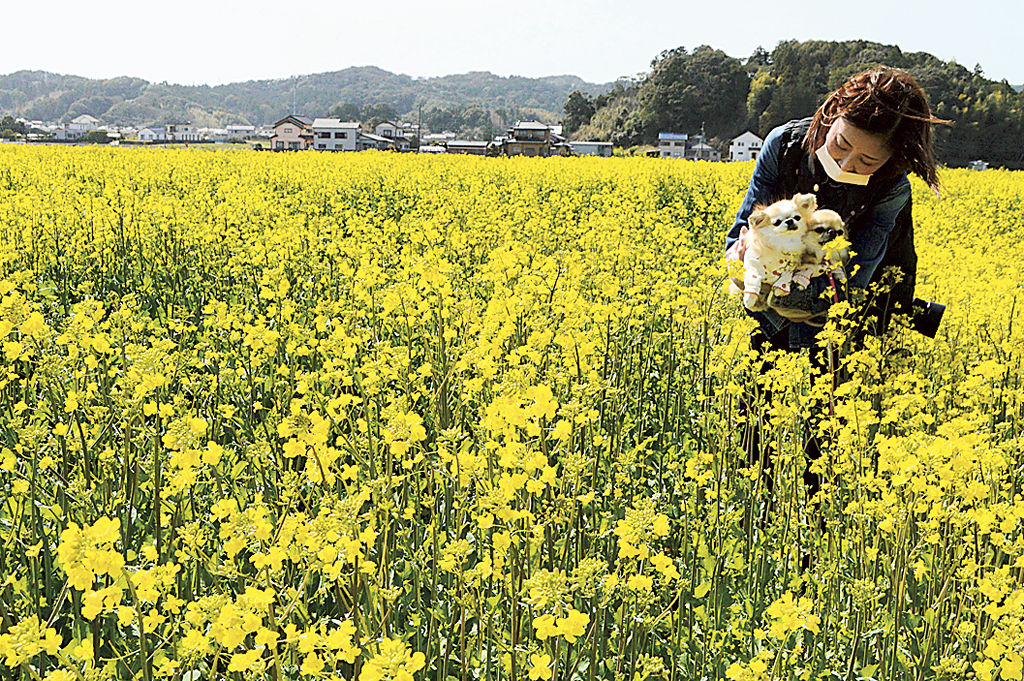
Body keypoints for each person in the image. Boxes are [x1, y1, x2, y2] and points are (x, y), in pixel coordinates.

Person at [725, 67, 947, 506]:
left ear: (890, 160)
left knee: (823, 441)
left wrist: (805, 295)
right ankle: (757, 515)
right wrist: (745, 257)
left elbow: (852, 281)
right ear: (831, 113)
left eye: (867, 162)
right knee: (754, 429)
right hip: (768, 307)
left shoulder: (892, 188)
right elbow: (740, 232)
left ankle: (817, 522)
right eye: (841, 145)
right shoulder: (783, 146)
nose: (846, 165)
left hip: (839, 317)